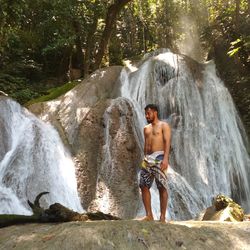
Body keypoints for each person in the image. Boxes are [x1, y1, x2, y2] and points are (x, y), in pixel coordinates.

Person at [139, 104, 171, 222]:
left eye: (149, 113)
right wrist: (144, 157)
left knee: (162, 186)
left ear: (155, 112)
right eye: (146, 114)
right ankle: (149, 215)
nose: (146, 116)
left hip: (160, 157)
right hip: (147, 159)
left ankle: (162, 217)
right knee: (143, 185)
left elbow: (167, 142)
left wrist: (166, 158)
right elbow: (146, 144)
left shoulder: (164, 126)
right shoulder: (146, 128)